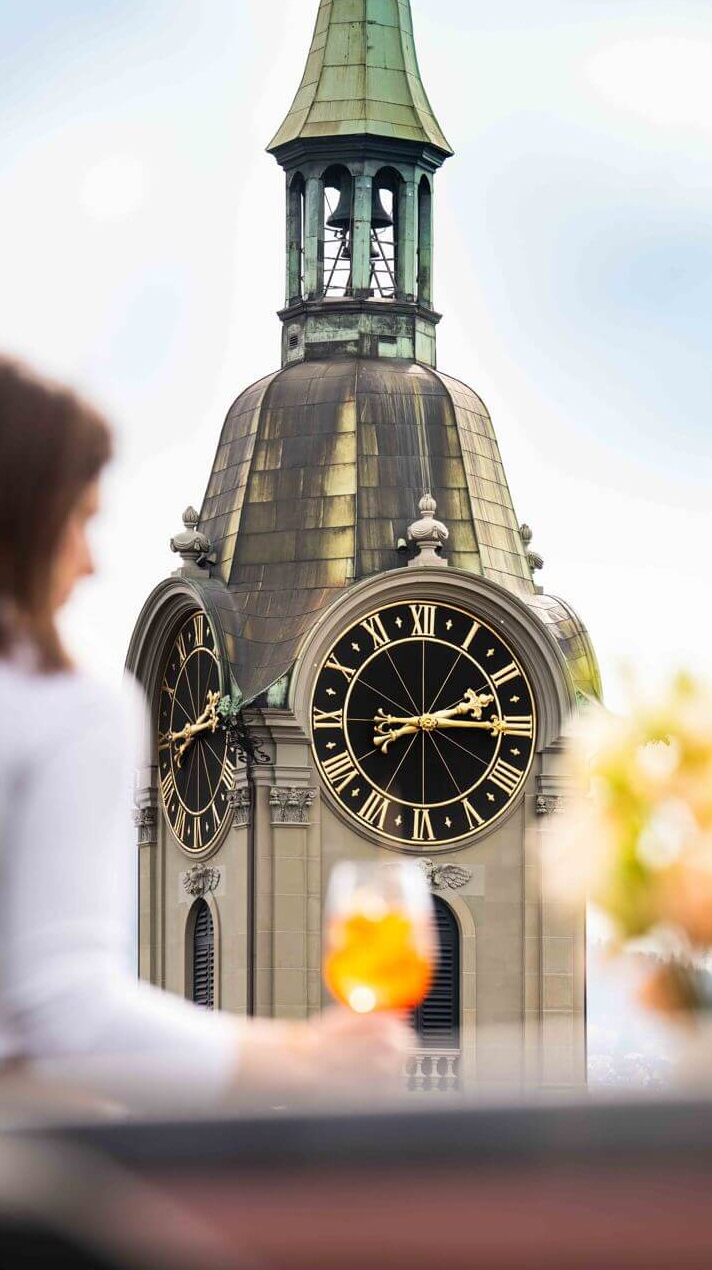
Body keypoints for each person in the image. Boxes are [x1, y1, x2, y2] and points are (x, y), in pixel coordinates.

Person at [0, 357, 409, 1112]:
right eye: (80, 519)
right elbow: (66, 1012)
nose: (89, 564)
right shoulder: (69, 705)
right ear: (26, 516)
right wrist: (304, 1060)